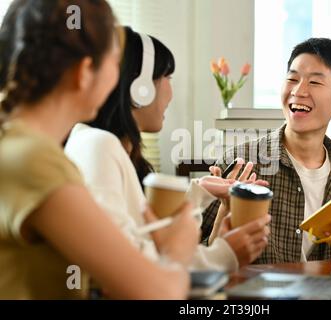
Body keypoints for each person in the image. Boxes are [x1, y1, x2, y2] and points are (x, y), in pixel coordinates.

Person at [0, 0, 199, 299]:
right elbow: (159, 293)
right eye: (114, 62)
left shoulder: (22, 148)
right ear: (84, 71)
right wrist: (176, 252)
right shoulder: (35, 161)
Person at [64, 26, 271, 272]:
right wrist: (226, 254)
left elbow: (152, 242)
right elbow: (129, 265)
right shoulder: (98, 145)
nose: (171, 93)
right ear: (140, 88)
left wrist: (199, 193)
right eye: (168, 78)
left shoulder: (104, 146)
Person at [202, 38, 331, 264]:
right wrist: (222, 223)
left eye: (315, 82)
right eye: (292, 78)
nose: (298, 90)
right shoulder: (241, 163)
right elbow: (194, 262)